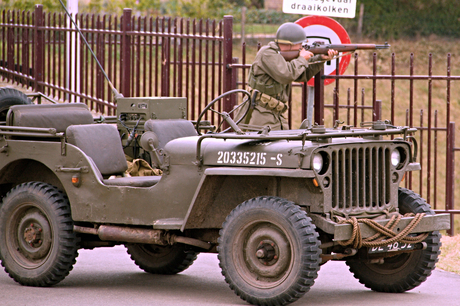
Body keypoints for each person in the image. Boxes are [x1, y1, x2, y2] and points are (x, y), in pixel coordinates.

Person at [236, 22, 338, 130]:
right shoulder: (267, 53)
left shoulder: (282, 57)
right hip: (259, 116)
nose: (301, 48)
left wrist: (320, 59)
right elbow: (287, 74)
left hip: (276, 115)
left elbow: (303, 75)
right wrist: (302, 59)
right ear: (290, 44)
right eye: (300, 44)